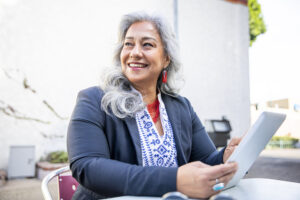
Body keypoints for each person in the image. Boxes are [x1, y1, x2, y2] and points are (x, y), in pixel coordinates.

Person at [67, 12, 241, 200]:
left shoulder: (181, 107)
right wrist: (175, 181)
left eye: (147, 44)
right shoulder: (94, 100)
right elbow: (88, 167)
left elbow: (205, 161)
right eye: (128, 44)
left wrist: (226, 157)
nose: (135, 53)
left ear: (166, 58)